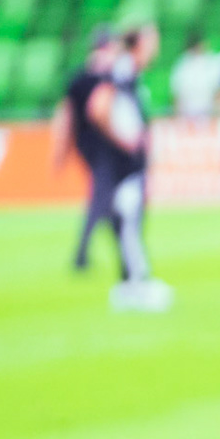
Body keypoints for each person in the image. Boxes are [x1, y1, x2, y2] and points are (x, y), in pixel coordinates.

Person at [92, 24, 169, 312]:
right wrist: (126, 140)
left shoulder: (131, 74)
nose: (155, 48)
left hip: (132, 162)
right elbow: (98, 108)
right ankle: (134, 285)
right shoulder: (121, 71)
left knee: (131, 220)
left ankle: (132, 283)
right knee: (129, 221)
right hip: (124, 164)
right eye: (151, 42)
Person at [54, 30, 120, 271]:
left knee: (108, 198)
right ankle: (81, 254)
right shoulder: (109, 77)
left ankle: (119, 250)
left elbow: (66, 117)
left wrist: (61, 152)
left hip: (85, 145)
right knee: (100, 198)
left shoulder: (78, 77)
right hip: (103, 145)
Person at [169, 32, 220, 120]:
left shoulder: (210, 62)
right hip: (187, 117)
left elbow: (217, 94)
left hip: (206, 117)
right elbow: (176, 97)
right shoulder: (183, 64)